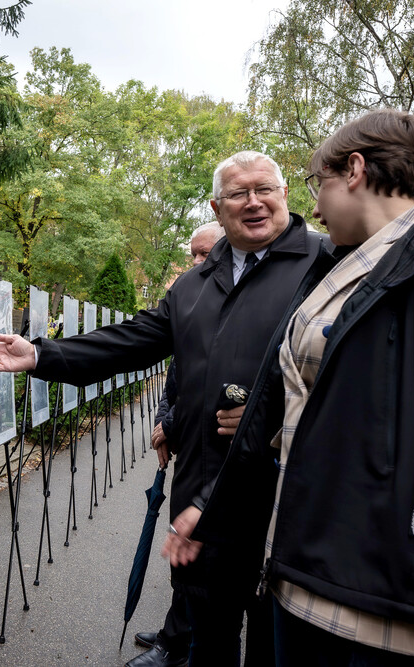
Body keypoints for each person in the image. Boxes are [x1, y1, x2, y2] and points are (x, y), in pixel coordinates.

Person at [168, 109, 414, 666]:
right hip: (307, 581)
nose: (312, 207)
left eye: (316, 183)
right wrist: (212, 508)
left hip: (392, 607)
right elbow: (295, 416)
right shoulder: (344, 267)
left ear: (354, 170)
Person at [0, 150, 334, 666]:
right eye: (238, 194)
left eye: (265, 189)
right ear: (216, 207)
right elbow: (133, 341)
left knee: (275, 650)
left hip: (282, 504)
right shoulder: (192, 285)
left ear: (285, 195)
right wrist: (40, 354)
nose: (253, 202)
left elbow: (355, 376)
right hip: (199, 499)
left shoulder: (327, 265)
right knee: (207, 640)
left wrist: (271, 419)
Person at [132, 222, 226, 667]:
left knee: (201, 563)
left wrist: (169, 426)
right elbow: (175, 380)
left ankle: (178, 644)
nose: (195, 263)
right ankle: (176, 631)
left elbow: (210, 390)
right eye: (192, 254)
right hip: (187, 449)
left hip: (219, 459)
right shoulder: (191, 298)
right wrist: (161, 424)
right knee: (183, 557)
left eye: (203, 254)